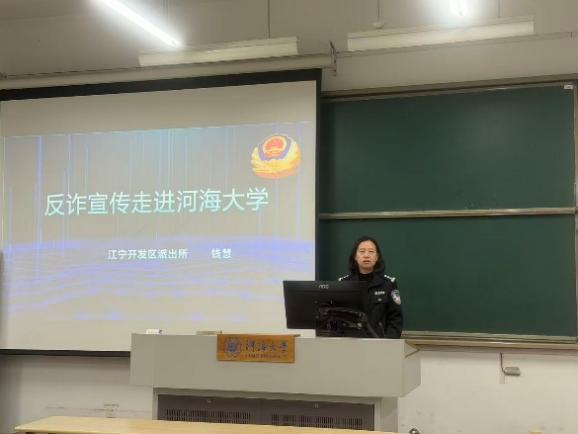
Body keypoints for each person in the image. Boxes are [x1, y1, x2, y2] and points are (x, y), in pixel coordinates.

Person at [338, 235, 403, 339]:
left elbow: (395, 319)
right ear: (355, 256)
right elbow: (338, 318)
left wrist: (389, 342)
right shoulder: (343, 284)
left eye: (371, 252)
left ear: (377, 257)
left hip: (379, 342)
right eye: (362, 251)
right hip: (351, 343)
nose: (366, 255)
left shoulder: (388, 284)